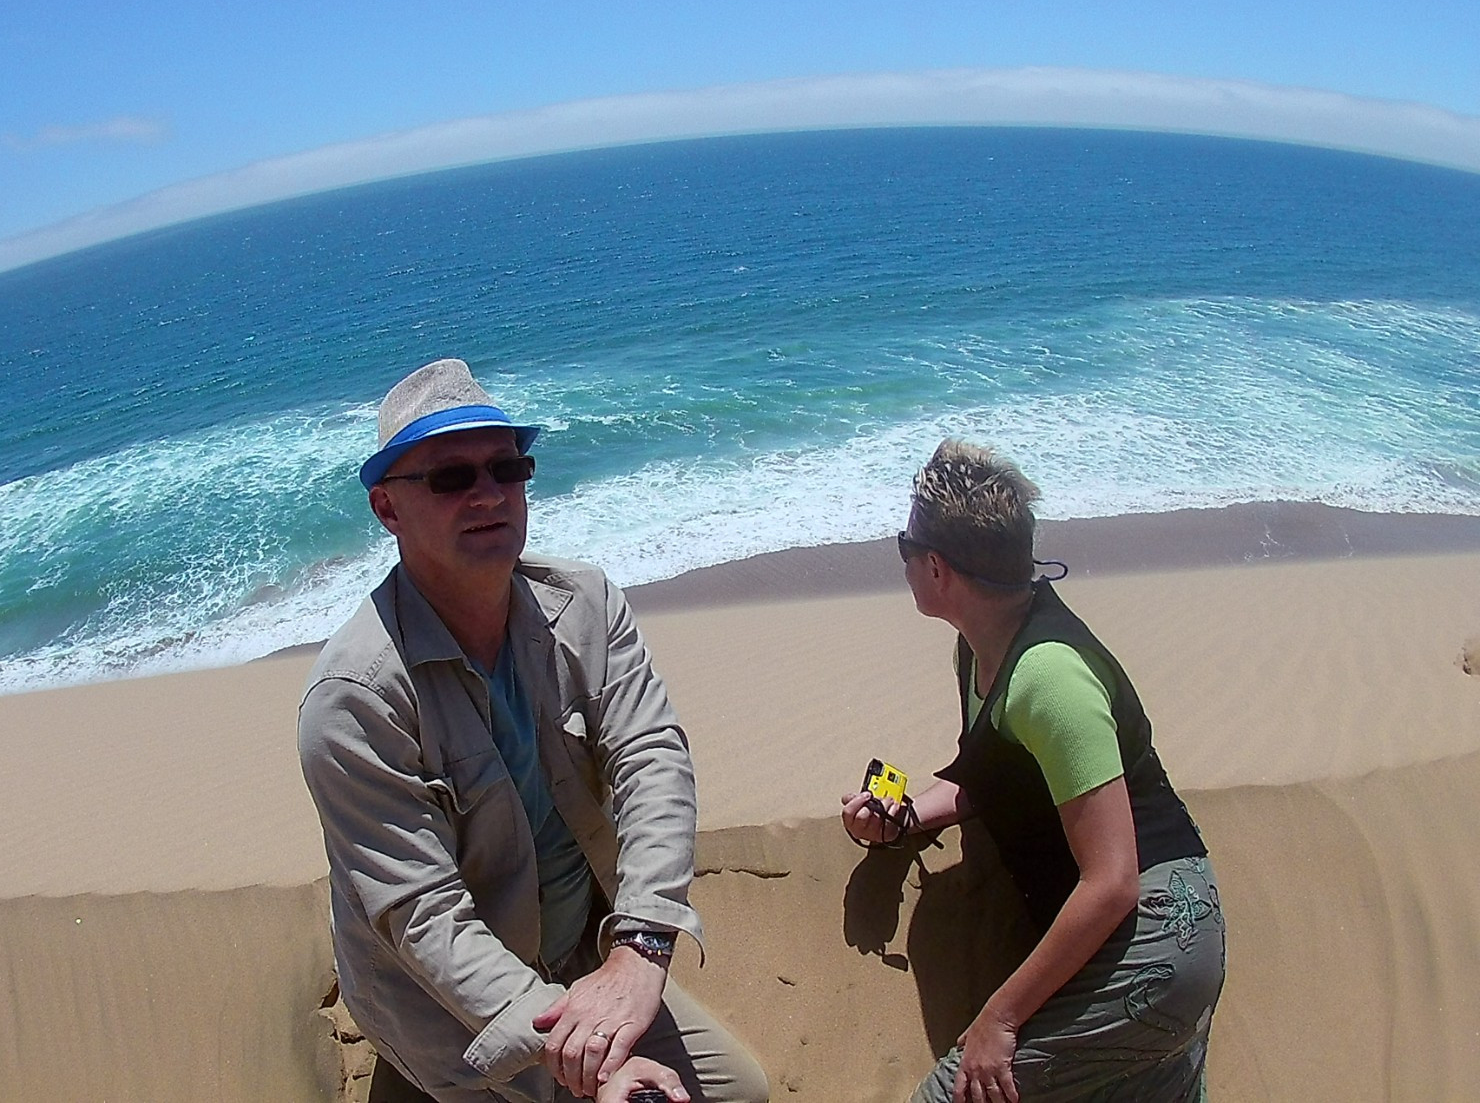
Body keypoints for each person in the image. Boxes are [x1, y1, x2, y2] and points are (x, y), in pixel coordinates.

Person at [299, 359, 769, 1103]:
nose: (489, 492)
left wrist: (641, 946)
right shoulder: (354, 700)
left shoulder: (586, 602)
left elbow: (652, 759)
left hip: (586, 957)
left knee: (740, 1091)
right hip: (452, 1007)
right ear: (387, 508)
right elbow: (426, 917)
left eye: (507, 466)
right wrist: (590, 1057)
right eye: (451, 477)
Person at [842, 440, 1225, 1103]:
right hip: (1149, 934)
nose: (903, 559)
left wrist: (1001, 1016)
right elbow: (986, 774)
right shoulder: (981, 649)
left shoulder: (1049, 678)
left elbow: (1113, 880)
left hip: (1158, 933)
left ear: (937, 568)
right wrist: (902, 815)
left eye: (906, 545)